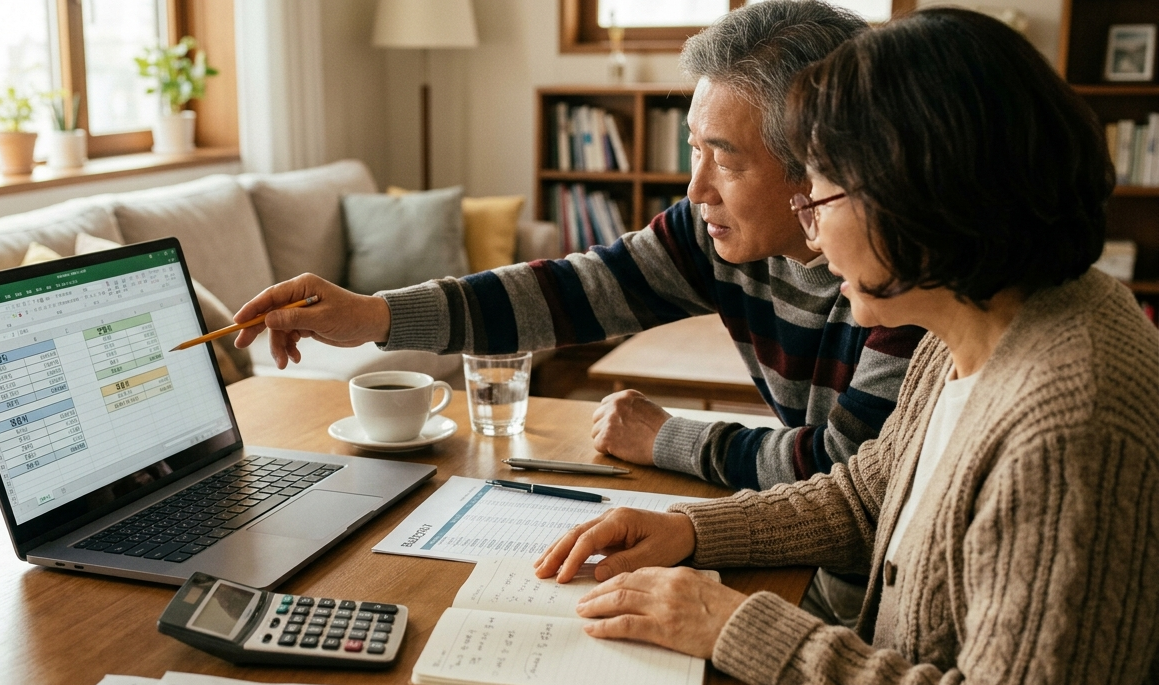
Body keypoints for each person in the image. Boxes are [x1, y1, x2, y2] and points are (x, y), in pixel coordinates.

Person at [533, 8, 1159, 685]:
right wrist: (694, 533)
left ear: (918, 196)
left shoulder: (1066, 425)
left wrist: (734, 624)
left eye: (822, 190)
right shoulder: (977, 316)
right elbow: (867, 494)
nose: (810, 226)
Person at [234, 0, 924, 630]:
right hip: (796, 556)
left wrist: (667, 438)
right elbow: (567, 290)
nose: (694, 188)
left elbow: (847, 474)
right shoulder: (710, 232)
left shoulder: (906, 281)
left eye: (725, 158)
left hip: (864, 599)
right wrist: (374, 316)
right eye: (693, 147)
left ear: (818, 160)